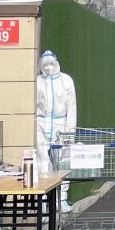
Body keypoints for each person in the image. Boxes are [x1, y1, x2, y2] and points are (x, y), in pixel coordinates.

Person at [35, 50, 78, 214]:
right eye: (45, 65)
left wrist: (70, 132)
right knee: (42, 162)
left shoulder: (66, 81)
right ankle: (44, 202)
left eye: (51, 64)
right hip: (40, 123)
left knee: (62, 162)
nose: (49, 68)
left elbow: (72, 108)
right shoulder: (37, 82)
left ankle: (61, 199)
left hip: (61, 123)